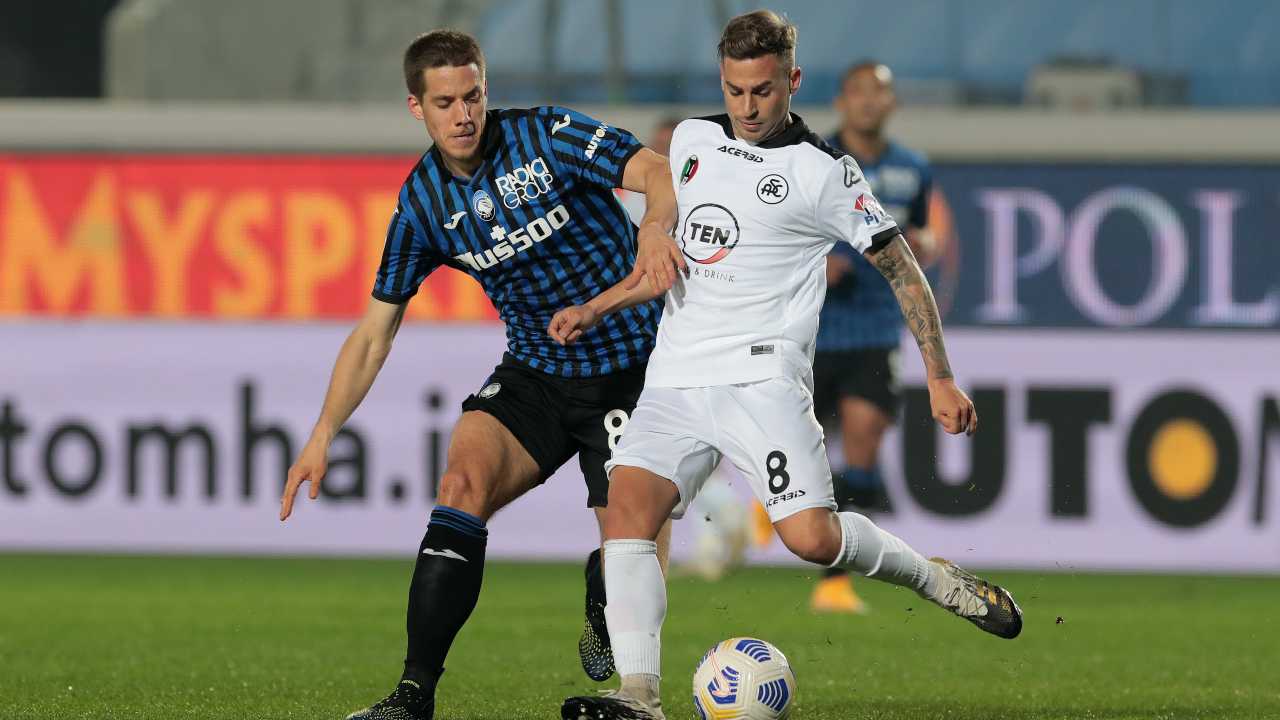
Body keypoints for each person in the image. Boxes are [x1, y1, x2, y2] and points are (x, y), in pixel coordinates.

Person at [550, 11, 1021, 719]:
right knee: (626, 514)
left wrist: (939, 374)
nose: (747, 107)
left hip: (762, 380)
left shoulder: (823, 172)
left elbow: (902, 269)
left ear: (792, 81)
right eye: (736, 90)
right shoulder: (692, 140)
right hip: (676, 377)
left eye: (764, 91)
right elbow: (672, 258)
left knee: (813, 539)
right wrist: (599, 306)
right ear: (722, 80)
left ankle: (932, 578)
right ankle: (639, 695)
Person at [277, 29, 685, 720]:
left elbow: (653, 168)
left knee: (629, 543)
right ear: (418, 108)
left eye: (473, 97)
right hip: (535, 370)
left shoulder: (548, 136)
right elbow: (375, 331)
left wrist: (654, 225)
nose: (463, 115)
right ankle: (412, 697)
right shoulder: (424, 203)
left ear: (485, 92)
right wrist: (323, 430)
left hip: (633, 369)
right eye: (445, 103)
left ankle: (608, 602)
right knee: (459, 484)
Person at [810, 60, 939, 614]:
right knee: (790, 448)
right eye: (857, 91)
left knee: (862, 437)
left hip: (873, 328)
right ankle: (759, 519)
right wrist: (818, 265)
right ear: (842, 100)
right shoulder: (811, 157)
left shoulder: (913, 167)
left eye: (878, 93)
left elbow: (925, 228)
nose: (867, 102)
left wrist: (925, 244)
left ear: (892, 103)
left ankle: (835, 582)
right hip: (808, 330)